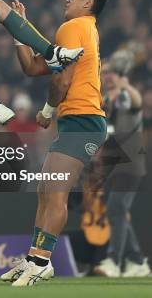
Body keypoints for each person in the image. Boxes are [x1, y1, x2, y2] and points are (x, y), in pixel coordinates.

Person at [3, 0, 109, 286]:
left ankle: (41, 261)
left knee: (56, 192)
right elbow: (33, 68)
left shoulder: (73, 26)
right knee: (46, 191)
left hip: (84, 121)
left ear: (87, 3)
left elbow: (62, 82)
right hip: (79, 121)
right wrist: (19, 31)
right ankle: (34, 257)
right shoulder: (82, 29)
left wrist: (47, 112)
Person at [94, 52, 149, 277]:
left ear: (120, 76)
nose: (107, 77)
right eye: (104, 73)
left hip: (130, 163)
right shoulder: (107, 99)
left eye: (111, 73)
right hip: (113, 164)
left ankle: (114, 261)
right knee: (118, 210)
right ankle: (137, 261)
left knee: (117, 208)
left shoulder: (125, 96)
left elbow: (136, 102)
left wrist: (126, 87)